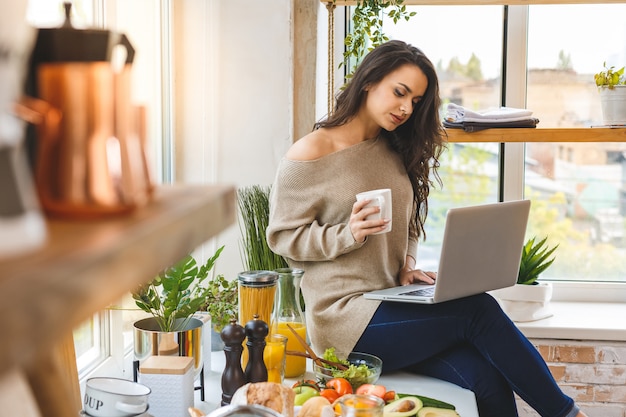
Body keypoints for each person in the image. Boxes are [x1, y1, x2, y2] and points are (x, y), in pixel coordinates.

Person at [266, 40, 586, 417]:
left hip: (391, 305)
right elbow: (283, 238)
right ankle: (568, 415)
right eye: (399, 93)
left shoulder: (391, 147)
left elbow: (410, 220)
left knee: (485, 377)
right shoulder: (312, 152)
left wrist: (407, 264)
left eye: (415, 101)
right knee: (477, 311)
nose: (405, 108)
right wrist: (347, 234)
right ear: (369, 80)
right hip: (344, 319)